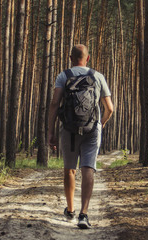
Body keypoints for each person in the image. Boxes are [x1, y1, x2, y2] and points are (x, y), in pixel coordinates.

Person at [48, 44, 113, 229]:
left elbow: (54, 103)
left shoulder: (64, 76)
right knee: (88, 169)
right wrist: (102, 123)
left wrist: (51, 131)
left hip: (69, 128)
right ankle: (84, 215)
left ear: (71, 58)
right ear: (88, 58)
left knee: (70, 169)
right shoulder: (98, 76)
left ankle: (70, 209)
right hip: (92, 129)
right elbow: (110, 108)